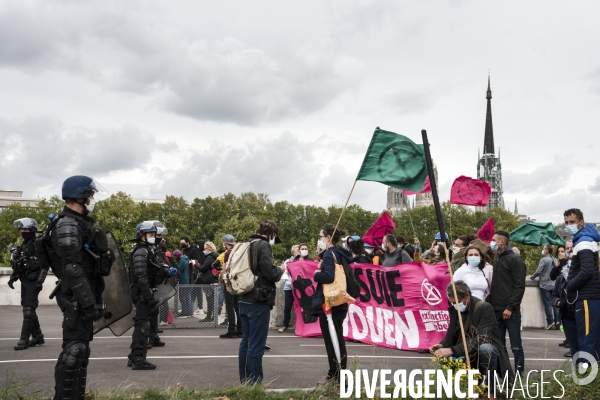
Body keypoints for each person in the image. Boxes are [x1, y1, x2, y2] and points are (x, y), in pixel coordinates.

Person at [53, 175, 110, 397]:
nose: (92, 198)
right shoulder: (68, 224)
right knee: (74, 351)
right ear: (81, 195)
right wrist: (88, 304)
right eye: (91, 194)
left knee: (82, 351)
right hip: (76, 298)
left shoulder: (79, 223)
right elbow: (72, 269)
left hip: (83, 296)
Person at [431, 281, 513, 389]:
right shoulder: (456, 309)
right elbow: (451, 333)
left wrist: (452, 350)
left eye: (458, 302)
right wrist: (442, 345)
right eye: (452, 303)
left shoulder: (485, 308)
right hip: (466, 351)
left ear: (467, 296)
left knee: (486, 349)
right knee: (444, 356)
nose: (455, 305)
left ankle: (491, 390)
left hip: (482, 350)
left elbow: (481, 339)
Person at [238, 220, 283, 384]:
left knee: (246, 343)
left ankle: (244, 380)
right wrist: (280, 269)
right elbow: (270, 272)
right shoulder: (263, 245)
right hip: (258, 299)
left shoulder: (248, 244)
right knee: (257, 344)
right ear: (272, 234)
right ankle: (254, 383)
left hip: (244, 297)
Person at [311, 224, 353, 384]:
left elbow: (328, 277)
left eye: (320, 236)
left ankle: (336, 374)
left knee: (332, 340)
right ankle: (338, 373)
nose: (319, 240)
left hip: (330, 303)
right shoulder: (340, 253)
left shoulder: (329, 254)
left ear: (328, 238)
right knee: (337, 338)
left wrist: (317, 274)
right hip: (339, 302)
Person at [128, 221, 170, 370]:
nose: (153, 237)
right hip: (142, 293)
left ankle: (134, 356)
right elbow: (141, 276)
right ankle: (138, 359)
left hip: (144, 292)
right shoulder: (141, 251)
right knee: (142, 325)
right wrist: (148, 296)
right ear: (142, 235)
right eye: (151, 234)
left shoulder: (147, 249)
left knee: (142, 323)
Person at [563, 208, 600, 364]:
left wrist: (570, 286)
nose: (569, 225)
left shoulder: (583, 241)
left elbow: (587, 271)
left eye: (572, 222)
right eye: (566, 223)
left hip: (586, 296)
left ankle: (584, 380)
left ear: (581, 222)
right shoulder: (585, 239)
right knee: (592, 338)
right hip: (589, 296)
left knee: (586, 338)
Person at [486, 231, 526, 374]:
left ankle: (519, 376)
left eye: (493, 240)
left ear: (502, 242)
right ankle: (505, 375)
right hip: (496, 310)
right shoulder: (498, 259)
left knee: (516, 347)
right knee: (499, 346)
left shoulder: (515, 260)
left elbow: (519, 286)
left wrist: (510, 307)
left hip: (510, 311)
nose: (491, 242)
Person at [9, 218, 47, 350]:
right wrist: (13, 277)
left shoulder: (37, 244)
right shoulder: (23, 246)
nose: (24, 232)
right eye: (22, 230)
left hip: (33, 281)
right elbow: (19, 264)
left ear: (32, 231)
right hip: (24, 280)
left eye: (26, 230)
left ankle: (24, 340)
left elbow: (44, 265)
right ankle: (38, 336)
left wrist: (40, 281)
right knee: (27, 308)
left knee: (28, 310)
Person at [551, 261, 578, 358]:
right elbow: (553, 296)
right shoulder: (561, 278)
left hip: (581, 316)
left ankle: (587, 371)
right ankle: (577, 372)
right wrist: (558, 302)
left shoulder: (584, 277)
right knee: (574, 349)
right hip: (567, 317)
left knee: (585, 348)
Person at [530, 245, 560, 330]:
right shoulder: (555, 260)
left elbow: (539, 271)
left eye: (543, 249)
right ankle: (557, 320)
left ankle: (550, 322)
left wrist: (532, 277)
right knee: (555, 304)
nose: (542, 250)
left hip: (545, 284)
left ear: (546, 250)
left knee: (547, 304)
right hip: (554, 284)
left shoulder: (544, 260)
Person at [219, 234, 243, 338]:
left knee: (229, 305)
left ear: (225, 242)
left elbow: (225, 267)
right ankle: (240, 330)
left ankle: (231, 330)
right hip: (237, 280)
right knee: (237, 306)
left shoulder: (228, 253)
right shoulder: (239, 251)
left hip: (229, 280)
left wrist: (220, 275)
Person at [196, 242, 220, 323]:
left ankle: (209, 316)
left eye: (205, 248)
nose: (204, 250)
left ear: (209, 248)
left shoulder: (209, 257)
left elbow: (203, 268)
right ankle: (213, 316)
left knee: (209, 299)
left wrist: (196, 265)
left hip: (208, 280)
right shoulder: (216, 256)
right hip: (213, 280)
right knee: (212, 299)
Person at [173, 250, 193, 317]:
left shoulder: (182, 261)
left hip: (183, 281)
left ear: (178, 256)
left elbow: (179, 270)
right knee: (187, 296)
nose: (175, 258)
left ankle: (185, 311)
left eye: (175, 256)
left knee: (182, 296)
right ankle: (188, 311)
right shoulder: (186, 259)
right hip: (187, 280)